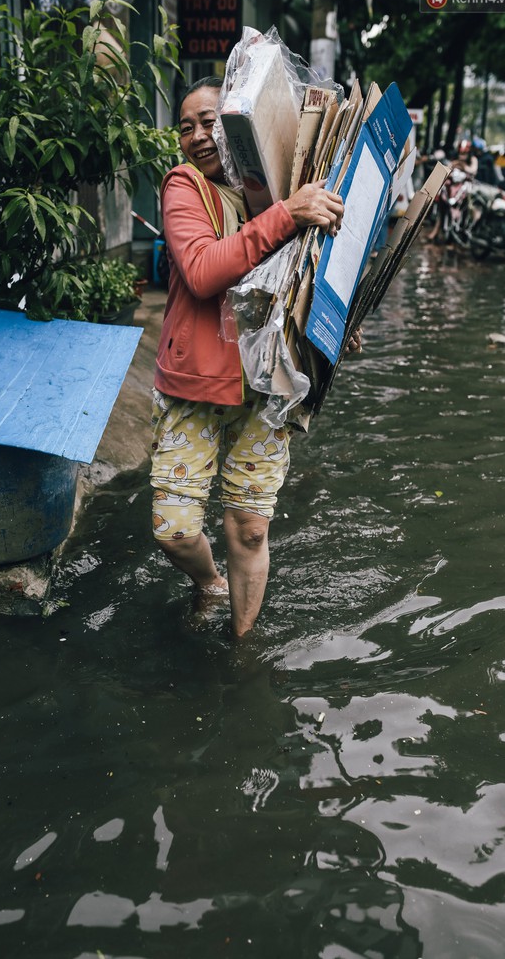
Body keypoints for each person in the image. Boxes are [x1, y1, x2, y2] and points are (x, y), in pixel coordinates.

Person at [149, 76, 356, 637]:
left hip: (268, 387)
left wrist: (332, 324)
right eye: (186, 126)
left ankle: (241, 649)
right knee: (175, 530)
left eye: (210, 120)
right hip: (194, 382)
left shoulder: (284, 185)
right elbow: (202, 270)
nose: (197, 135)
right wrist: (289, 212)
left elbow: (302, 277)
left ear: (240, 122)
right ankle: (209, 581)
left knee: (249, 529)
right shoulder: (185, 186)